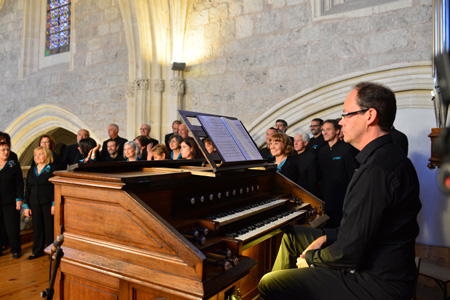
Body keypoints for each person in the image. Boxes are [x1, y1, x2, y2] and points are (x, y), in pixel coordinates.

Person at [258, 82, 421, 300]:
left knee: (269, 283)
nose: (341, 122)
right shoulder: (380, 157)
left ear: (370, 116)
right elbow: (360, 228)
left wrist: (313, 259)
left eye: (346, 114)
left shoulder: (378, 169)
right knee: (293, 235)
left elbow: (350, 251)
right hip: (367, 255)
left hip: (376, 282)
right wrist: (326, 236)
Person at [318, 119, 357, 227]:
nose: (324, 133)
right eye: (323, 130)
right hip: (325, 199)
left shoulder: (347, 149)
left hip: (342, 200)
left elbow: (352, 176)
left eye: (328, 129)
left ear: (337, 131)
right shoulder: (322, 151)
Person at [23, 147, 56, 260]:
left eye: (40, 154)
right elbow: (27, 189)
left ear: (47, 155)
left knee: (49, 228)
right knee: (37, 228)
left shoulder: (52, 169)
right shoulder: (32, 170)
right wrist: (26, 206)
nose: (37, 157)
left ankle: (52, 251)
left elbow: (55, 189)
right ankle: (37, 251)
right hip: (34, 203)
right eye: (36, 155)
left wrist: (54, 204)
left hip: (48, 203)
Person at [0, 142, 24, 258]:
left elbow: (19, 184)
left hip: (10, 201)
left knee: (12, 227)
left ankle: (16, 250)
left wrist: (19, 199)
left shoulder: (13, 165)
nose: (6, 152)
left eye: (7, 149)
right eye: (3, 150)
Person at [293, 132, 319, 196]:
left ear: (305, 143)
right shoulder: (291, 157)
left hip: (306, 193)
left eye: (298, 141)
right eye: (294, 141)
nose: (295, 143)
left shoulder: (311, 158)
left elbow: (313, 181)